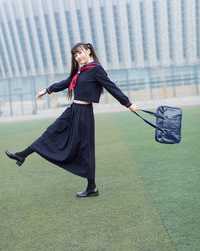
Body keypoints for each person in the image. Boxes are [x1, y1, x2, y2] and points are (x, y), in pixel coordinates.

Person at [5, 42, 139, 197]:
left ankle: (92, 187)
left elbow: (112, 87)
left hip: (84, 114)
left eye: (80, 53)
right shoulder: (82, 71)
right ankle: (22, 155)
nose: (78, 57)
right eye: (75, 55)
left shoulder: (96, 70)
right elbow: (67, 82)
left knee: (85, 148)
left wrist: (128, 104)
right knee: (51, 132)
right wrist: (47, 90)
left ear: (88, 51)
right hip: (72, 111)